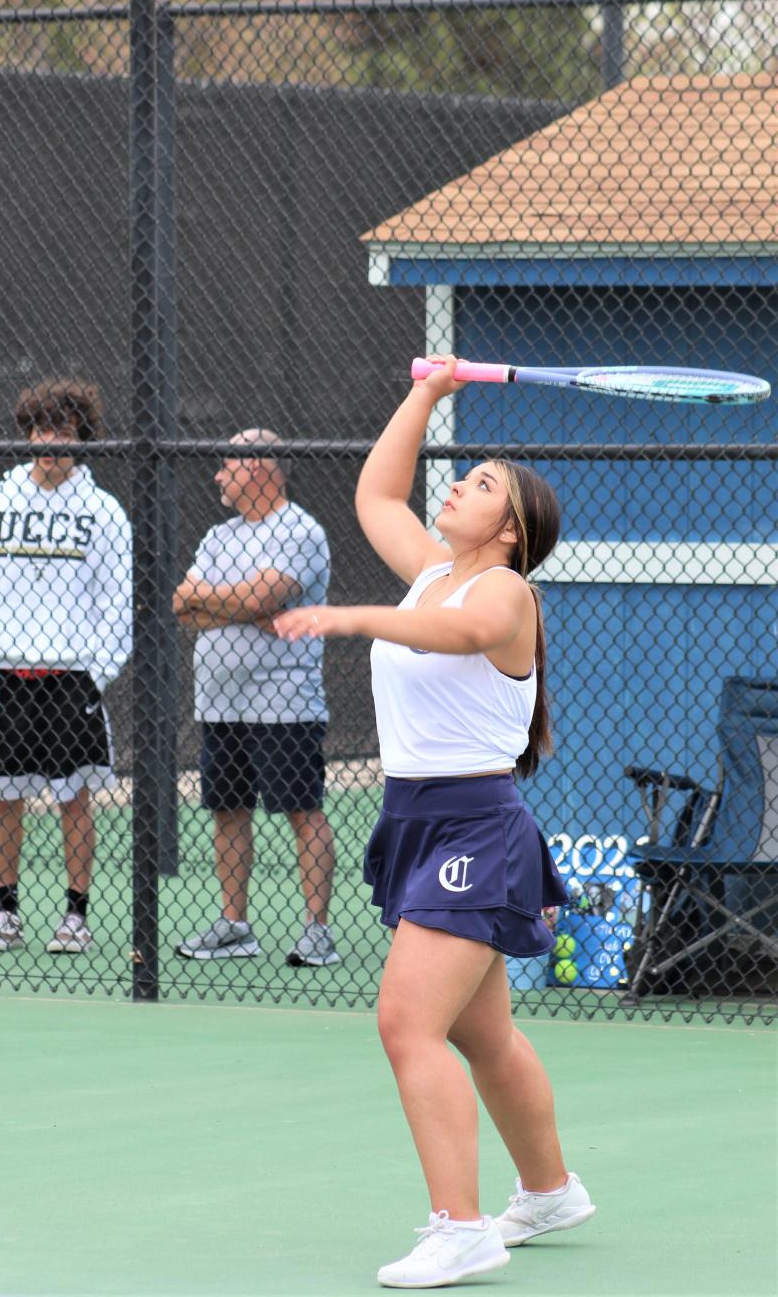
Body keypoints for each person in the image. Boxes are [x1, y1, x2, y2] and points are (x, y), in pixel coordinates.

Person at [275, 357, 595, 1287]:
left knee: (407, 1022)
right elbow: (378, 493)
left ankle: (460, 1226)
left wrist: (345, 615)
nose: (457, 483)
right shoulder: (429, 575)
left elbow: (456, 637)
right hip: (417, 816)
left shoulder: (505, 595)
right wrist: (426, 393)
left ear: (512, 530)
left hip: (474, 828)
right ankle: (549, 1190)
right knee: (480, 1033)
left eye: (482, 484)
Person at [0, 381, 132, 956]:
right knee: (4, 798)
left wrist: (94, 677)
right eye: (37, 430)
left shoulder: (103, 513)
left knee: (73, 796)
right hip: (4, 679)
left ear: (81, 437)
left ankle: (75, 917)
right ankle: (6, 913)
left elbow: (116, 606)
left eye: (59, 431)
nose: (46, 442)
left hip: (71, 680)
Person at [173, 428, 341, 968]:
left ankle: (317, 930)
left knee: (301, 809)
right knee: (227, 810)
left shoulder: (301, 531)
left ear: (258, 468)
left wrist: (225, 602)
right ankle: (234, 925)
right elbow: (183, 605)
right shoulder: (219, 537)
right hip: (219, 704)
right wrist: (245, 607)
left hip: (284, 702)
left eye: (227, 465)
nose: (218, 475)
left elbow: (269, 596)